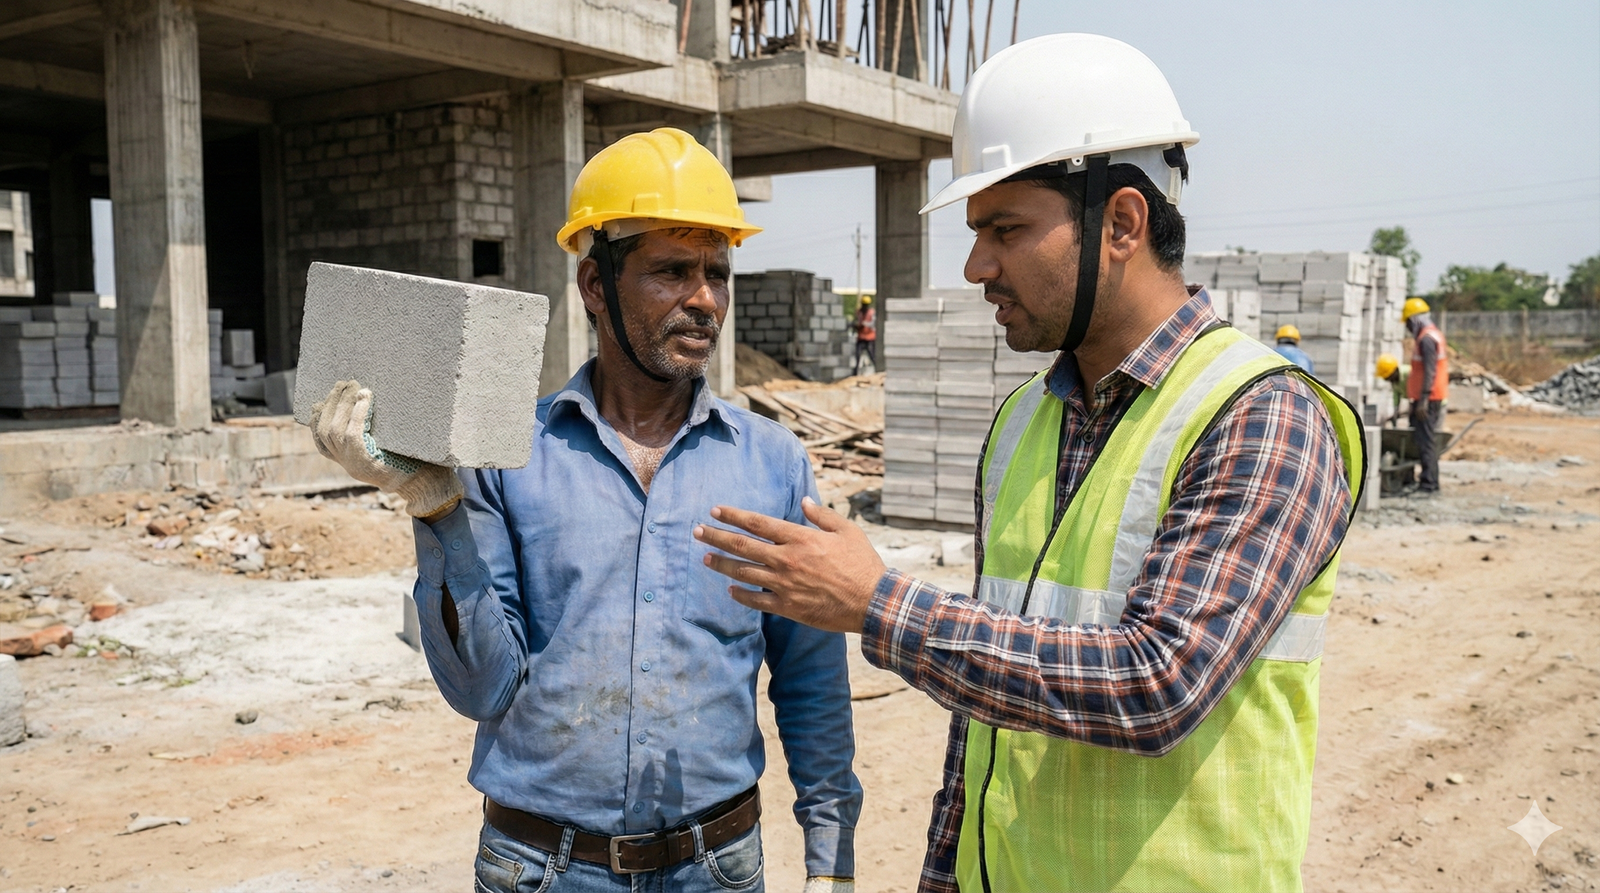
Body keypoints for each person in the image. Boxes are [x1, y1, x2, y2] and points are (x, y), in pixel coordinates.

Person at [692, 33, 1364, 893]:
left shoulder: (1259, 416)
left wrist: (879, 603)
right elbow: (985, 725)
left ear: (1121, 223)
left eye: (1005, 229)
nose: (976, 266)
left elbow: (1158, 683)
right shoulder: (1022, 422)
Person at [309, 128, 861, 893]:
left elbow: (810, 677)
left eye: (717, 272)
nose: (705, 298)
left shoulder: (771, 463)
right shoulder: (510, 456)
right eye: (672, 271)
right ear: (595, 284)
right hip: (544, 870)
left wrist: (830, 858)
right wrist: (436, 509)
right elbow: (480, 689)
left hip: (717, 868)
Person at [1402, 297, 1448, 493]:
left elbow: (1430, 371)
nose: (1407, 327)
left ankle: (1429, 484)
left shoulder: (1427, 339)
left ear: (1415, 320)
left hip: (1429, 398)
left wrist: (1423, 400)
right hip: (1425, 397)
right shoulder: (1429, 335)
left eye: (1408, 322)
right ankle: (1424, 480)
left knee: (1427, 442)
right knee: (1421, 441)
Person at [1374, 353, 1408, 427]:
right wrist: (1395, 412)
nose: (1386, 380)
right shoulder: (1394, 380)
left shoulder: (1407, 373)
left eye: (1387, 377)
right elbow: (1396, 395)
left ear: (1393, 372)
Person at [851, 295, 877, 375]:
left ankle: (877, 371)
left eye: (866, 305)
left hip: (870, 338)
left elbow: (873, 324)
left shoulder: (871, 313)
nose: (864, 307)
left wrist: (865, 324)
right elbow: (855, 322)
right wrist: (855, 326)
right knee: (857, 355)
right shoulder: (859, 312)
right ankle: (855, 373)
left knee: (872, 355)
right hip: (861, 338)